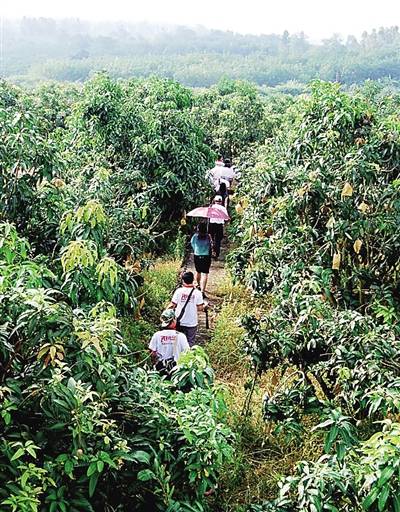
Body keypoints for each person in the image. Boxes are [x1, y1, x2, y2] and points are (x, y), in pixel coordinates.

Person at [168, 271, 204, 347]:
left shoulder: (178, 291)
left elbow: (172, 305)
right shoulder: (198, 293)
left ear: (183, 280)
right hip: (192, 322)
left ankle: (177, 356)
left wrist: (165, 314)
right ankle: (187, 357)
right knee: (190, 342)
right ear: (193, 280)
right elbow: (200, 308)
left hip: (179, 321)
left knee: (177, 342)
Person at [149, 309, 190, 374]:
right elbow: (187, 353)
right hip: (177, 370)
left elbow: (152, 353)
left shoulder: (156, 335)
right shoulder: (181, 336)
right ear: (173, 320)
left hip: (161, 369)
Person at [191, 222, 213, 296]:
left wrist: (196, 250)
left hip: (197, 256)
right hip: (206, 256)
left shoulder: (195, 236)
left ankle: (199, 285)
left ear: (198, 229)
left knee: (198, 272)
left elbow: (192, 244)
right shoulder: (208, 236)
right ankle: (202, 291)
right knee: (205, 274)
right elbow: (211, 245)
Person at [208, 195, 229, 260]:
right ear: (221, 201)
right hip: (219, 225)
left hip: (212, 224)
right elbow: (226, 218)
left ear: (214, 201)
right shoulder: (223, 208)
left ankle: (211, 252)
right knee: (218, 240)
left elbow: (208, 215)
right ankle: (216, 253)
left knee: (211, 239)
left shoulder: (211, 207)